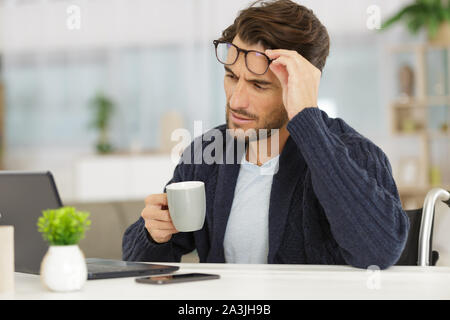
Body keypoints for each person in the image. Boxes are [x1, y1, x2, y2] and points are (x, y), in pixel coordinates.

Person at [122, 0, 409, 269]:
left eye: (259, 86)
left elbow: (379, 252)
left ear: (300, 86)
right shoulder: (207, 153)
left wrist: (306, 117)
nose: (236, 101)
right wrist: (153, 234)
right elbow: (138, 264)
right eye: (231, 77)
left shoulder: (355, 153)